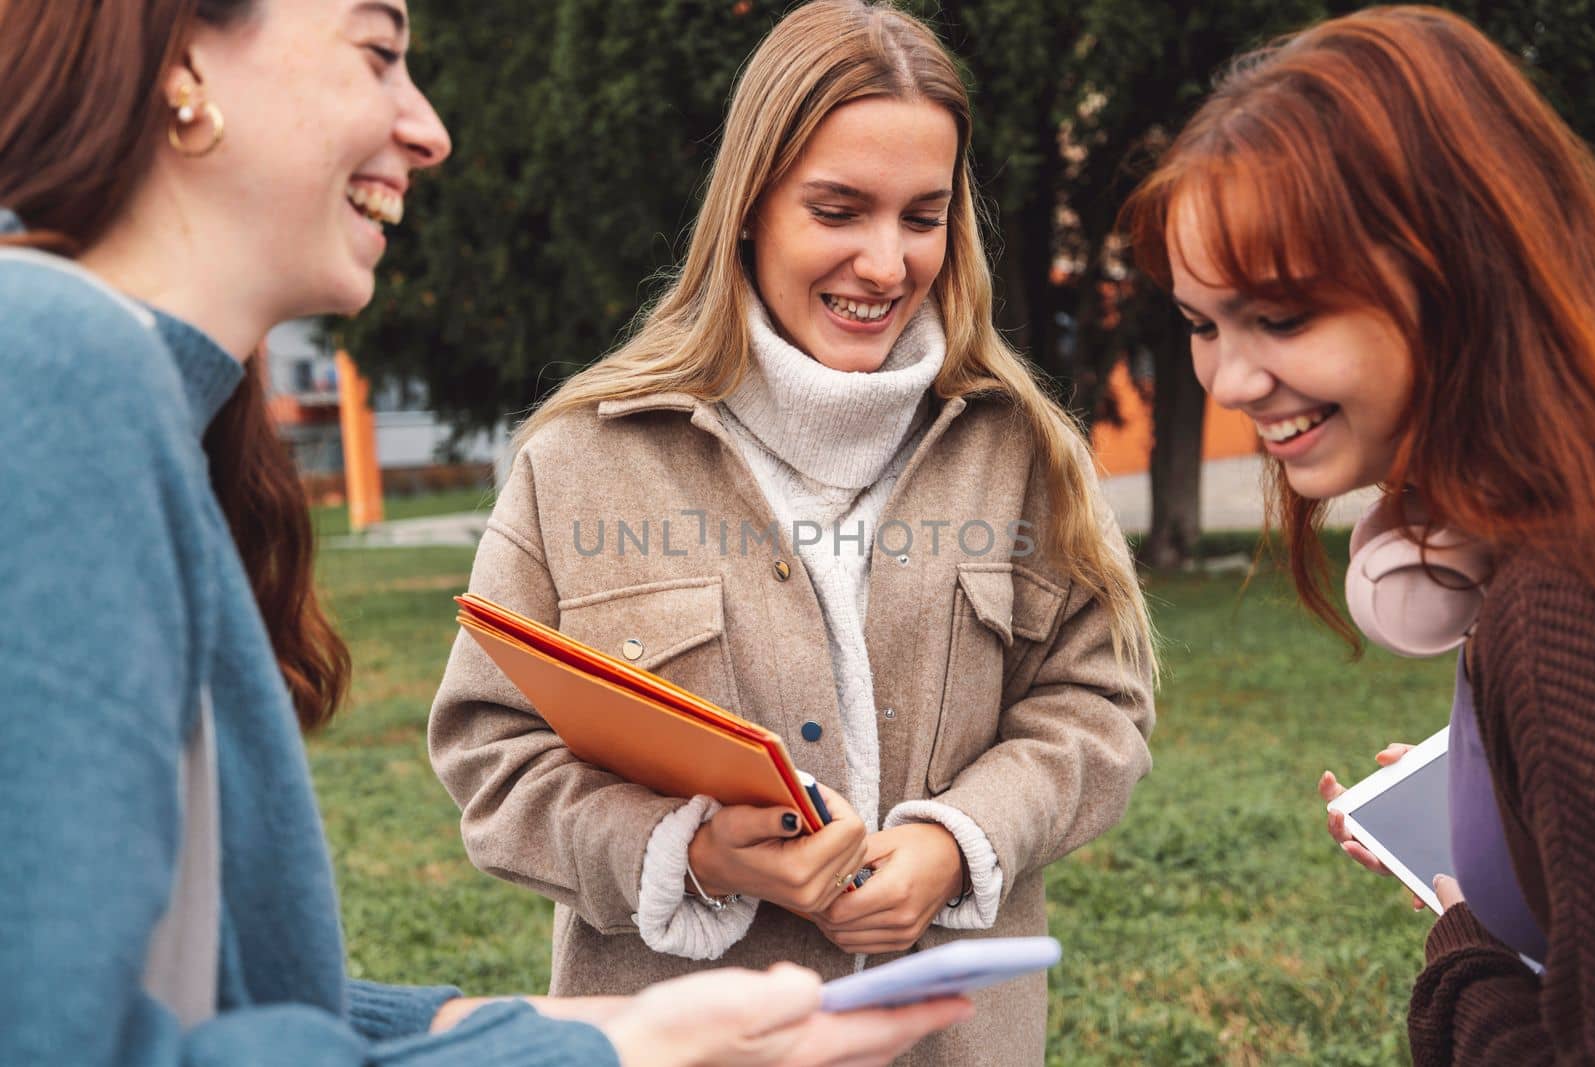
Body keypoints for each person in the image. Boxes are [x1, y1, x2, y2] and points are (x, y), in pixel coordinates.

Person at [0, 0, 969, 1063]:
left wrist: (506, 1024)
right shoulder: (54, 371)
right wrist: (619, 1054)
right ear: (184, 62)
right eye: (378, 53)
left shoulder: (131, 397)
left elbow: (192, 986)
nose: (429, 130)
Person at [429, 1, 1157, 1063]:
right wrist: (696, 853)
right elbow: (490, 755)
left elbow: (1099, 706)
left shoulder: (1028, 454)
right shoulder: (580, 459)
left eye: (922, 215)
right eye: (837, 209)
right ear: (749, 207)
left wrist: (955, 844)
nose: (883, 262)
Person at [1122, 5, 1595, 1062]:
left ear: (1457, 274)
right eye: (1202, 325)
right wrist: (1506, 799)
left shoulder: (1556, 599)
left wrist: (1463, 958)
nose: (1233, 381)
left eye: (1282, 317)